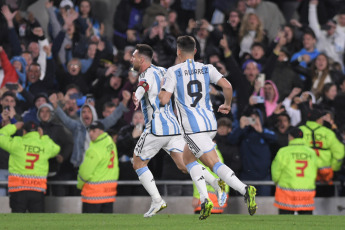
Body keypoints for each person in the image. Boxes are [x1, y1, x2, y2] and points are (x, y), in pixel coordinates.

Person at [159, 35, 257, 220]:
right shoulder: (207, 68)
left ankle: (244, 189)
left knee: (213, 163)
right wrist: (227, 104)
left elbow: (164, 100)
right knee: (186, 161)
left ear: (178, 52)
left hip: (193, 128)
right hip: (210, 124)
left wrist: (157, 92)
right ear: (195, 51)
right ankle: (206, 199)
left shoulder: (174, 71)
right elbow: (227, 86)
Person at [131, 44, 225, 218]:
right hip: (173, 126)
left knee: (138, 163)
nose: (131, 60)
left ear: (141, 60)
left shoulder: (146, 74)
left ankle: (157, 200)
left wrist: (136, 95)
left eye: (133, 57)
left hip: (157, 128)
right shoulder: (162, 70)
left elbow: (143, 85)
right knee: (184, 165)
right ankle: (216, 182)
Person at [0, 121, 60, 212]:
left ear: (24, 131)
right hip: (37, 191)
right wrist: (43, 137)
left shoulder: (17, 143)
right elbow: (56, 149)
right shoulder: (44, 145)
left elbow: (1, 136)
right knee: (35, 223)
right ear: (37, 131)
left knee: (17, 223)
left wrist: (13, 127)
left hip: (18, 190)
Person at [271, 127, 318, 215]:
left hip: (286, 194)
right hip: (306, 195)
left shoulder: (283, 152)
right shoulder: (312, 153)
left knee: (285, 225)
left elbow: (275, 173)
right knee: (307, 225)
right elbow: (314, 171)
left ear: (290, 137)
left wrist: (276, 182)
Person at [77, 121, 119, 213]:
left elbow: (84, 173)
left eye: (93, 131)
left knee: (90, 226)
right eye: (89, 131)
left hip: (93, 196)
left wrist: (79, 185)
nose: (90, 133)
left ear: (101, 131)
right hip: (109, 195)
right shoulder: (110, 142)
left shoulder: (94, 149)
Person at [299, 108, 344, 192]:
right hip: (325, 175)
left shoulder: (300, 131)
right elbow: (340, 152)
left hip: (304, 173)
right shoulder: (328, 133)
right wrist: (334, 168)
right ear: (319, 119)